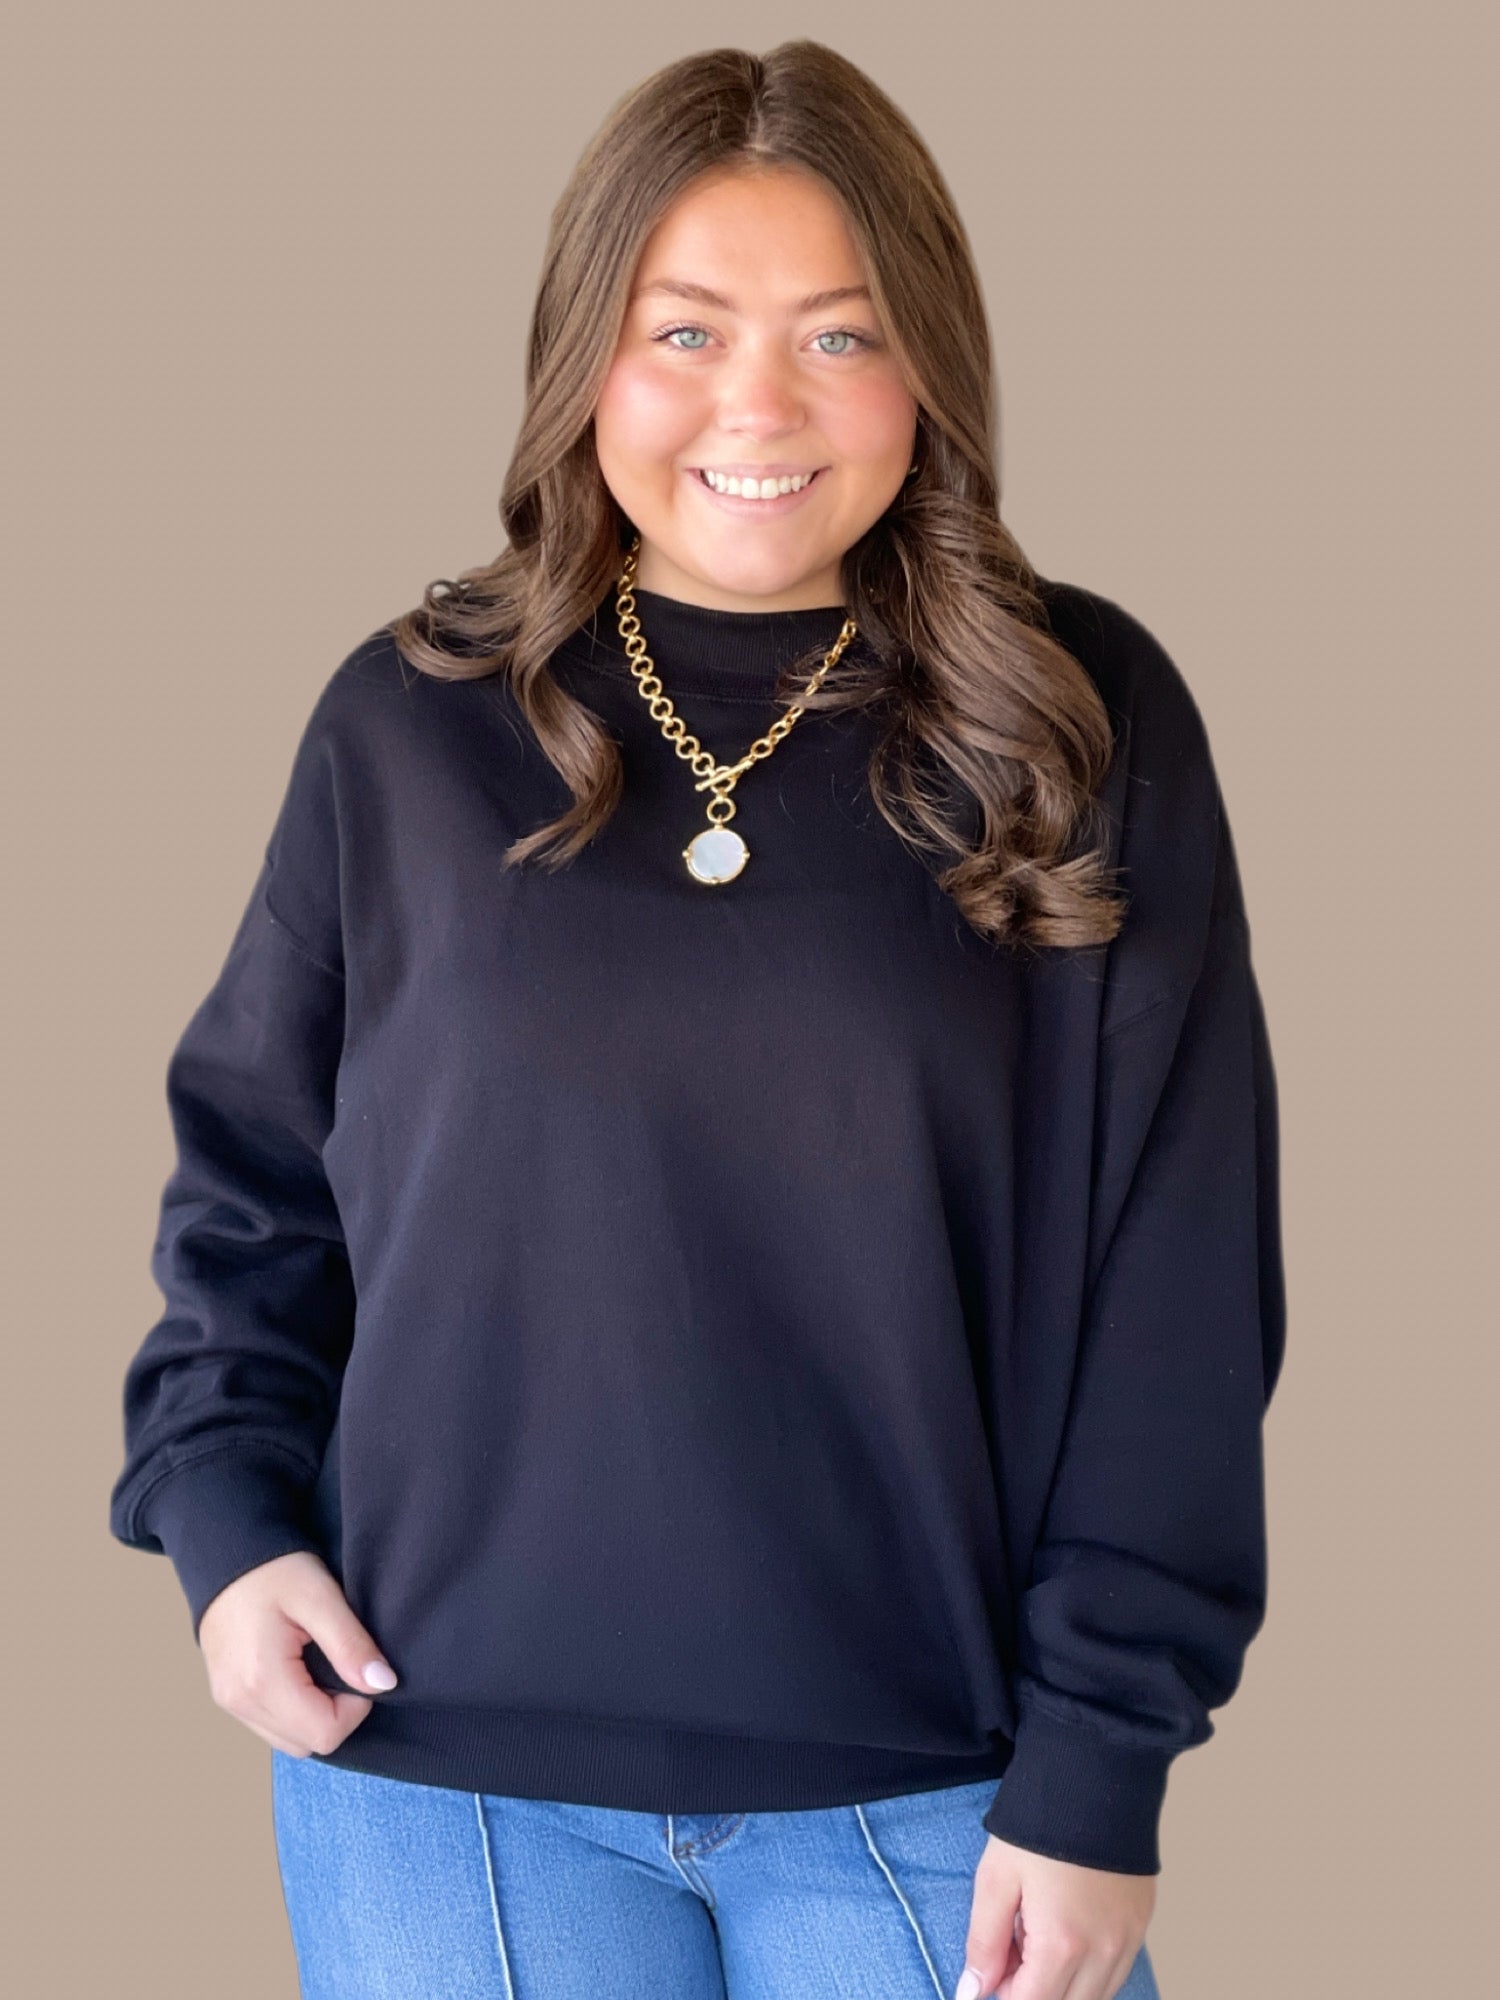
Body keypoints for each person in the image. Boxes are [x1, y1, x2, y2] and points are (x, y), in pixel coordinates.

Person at [108, 38, 1285, 2000]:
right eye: (686, 331)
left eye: (840, 334)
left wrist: (1104, 1759)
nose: (760, 404)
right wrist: (225, 1526)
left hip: (943, 1786)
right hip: (434, 1773)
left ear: (931, 364)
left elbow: (1179, 1276)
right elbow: (254, 1178)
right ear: (585, 358)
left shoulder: (1078, 720)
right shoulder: (407, 722)